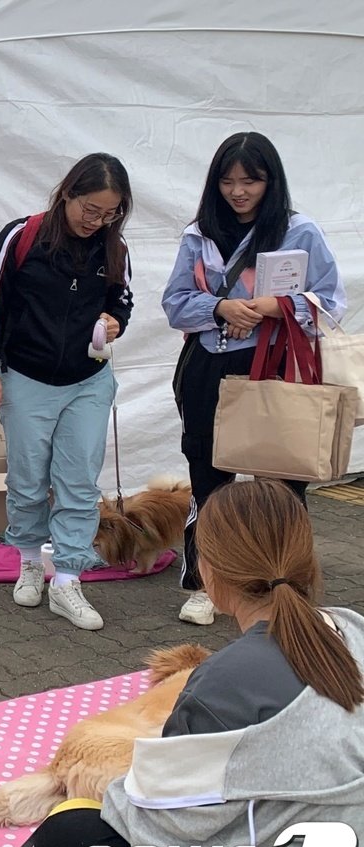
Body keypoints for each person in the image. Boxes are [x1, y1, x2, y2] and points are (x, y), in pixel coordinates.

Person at [32, 478, 364, 847]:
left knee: (67, 832)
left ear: (207, 570)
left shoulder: (222, 685)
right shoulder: (353, 628)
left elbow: (162, 827)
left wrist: (112, 795)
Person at [163, 131, 345, 626]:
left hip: (277, 366)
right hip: (208, 368)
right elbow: (174, 303)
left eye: (251, 180)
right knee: (209, 477)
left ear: (271, 181)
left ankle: (285, 586)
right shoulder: (198, 232)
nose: (238, 191)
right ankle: (205, 582)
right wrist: (220, 307)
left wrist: (274, 307)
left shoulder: (298, 230)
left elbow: (330, 301)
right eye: (227, 181)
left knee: (283, 482)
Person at [0, 153, 134, 631]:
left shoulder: (115, 247)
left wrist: (115, 321)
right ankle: (27, 559)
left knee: (79, 482)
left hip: (89, 380)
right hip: (26, 376)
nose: (98, 221)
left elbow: (122, 298)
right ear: (68, 193)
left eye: (110, 214)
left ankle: (66, 578)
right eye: (91, 210)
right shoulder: (21, 237)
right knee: (26, 479)